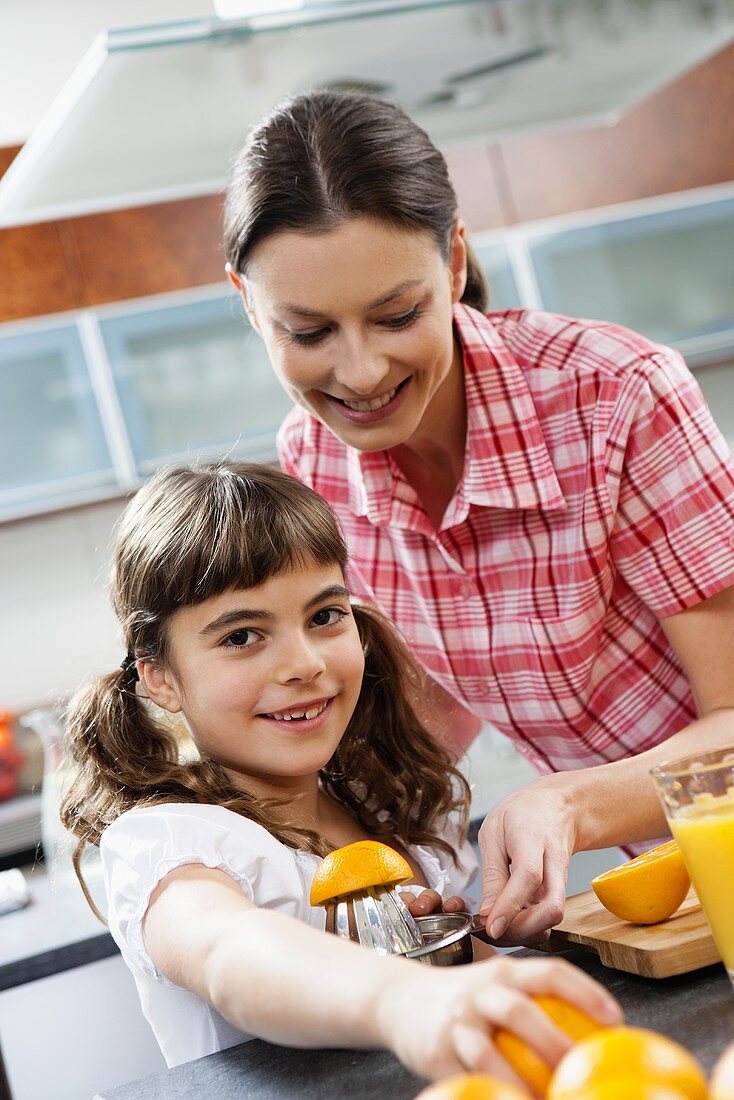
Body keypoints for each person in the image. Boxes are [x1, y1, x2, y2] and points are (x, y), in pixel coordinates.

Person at [223, 90, 734, 947]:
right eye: (308, 331)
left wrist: (562, 799)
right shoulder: (313, 467)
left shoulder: (616, 398)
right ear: (246, 303)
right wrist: (357, 853)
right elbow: (429, 713)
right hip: (683, 897)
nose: (359, 371)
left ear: (454, 265)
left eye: (397, 316)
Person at [59, 462, 620, 1080]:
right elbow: (226, 953)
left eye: (324, 616)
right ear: (160, 677)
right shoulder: (174, 846)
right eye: (242, 635)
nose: (303, 664)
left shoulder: (389, 812)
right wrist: (402, 997)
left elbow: (474, 1012)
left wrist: (476, 949)